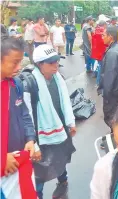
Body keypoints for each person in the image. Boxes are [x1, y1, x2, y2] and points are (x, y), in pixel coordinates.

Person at [26, 44, 76, 199]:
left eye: (56, 61)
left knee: (61, 157)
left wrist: (70, 122)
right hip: (41, 135)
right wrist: (32, 143)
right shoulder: (30, 83)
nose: (56, 65)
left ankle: (63, 180)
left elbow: (65, 101)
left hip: (61, 128)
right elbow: (27, 115)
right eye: (51, 62)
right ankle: (38, 194)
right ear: (39, 64)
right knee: (40, 171)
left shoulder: (58, 78)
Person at [1, 35, 37, 199]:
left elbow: (24, 114)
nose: (19, 67)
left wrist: (30, 139)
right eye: (14, 62)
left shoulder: (15, 85)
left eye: (20, 61)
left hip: (17, 162)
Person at [98, 26, 118, 131]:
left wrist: (106, 93)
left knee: (110, 116)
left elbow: (109, 75)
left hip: (113, 91)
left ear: (110, 37)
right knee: (115, 115)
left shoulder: (113, 52)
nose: (102, 37)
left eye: (104, 35)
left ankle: (116, 139)